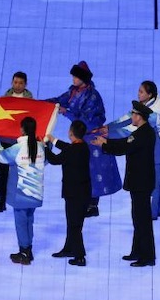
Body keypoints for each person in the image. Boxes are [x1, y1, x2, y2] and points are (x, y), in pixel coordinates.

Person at [46, 61, 121, 217]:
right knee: (85, 170)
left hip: (92, 136)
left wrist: (66, 112)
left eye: (76, 77)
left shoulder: (93, 96)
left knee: (93, 170)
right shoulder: (73, 91)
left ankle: (92, 205)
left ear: (83, 78)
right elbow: (59, 100)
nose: (73, 79)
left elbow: (86, 120)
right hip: (82, 135)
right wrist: (41, 104)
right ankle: (85, 202)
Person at [93, 101, 156, 267]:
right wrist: (106, 142)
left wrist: (104, 144)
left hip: (141, 183)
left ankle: (147, 256)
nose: (132, 117)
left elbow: (124, 147)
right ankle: (137, 251)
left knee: (142, 219)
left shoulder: (143, 134)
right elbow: (125, 142)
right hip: (139, 182)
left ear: (140, 117)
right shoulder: (142, 132)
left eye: (134, 115)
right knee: (138, 218)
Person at [98, 81, 160, 220]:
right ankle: (159, 209)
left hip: (158, 153)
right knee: (156, 180)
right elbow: (126, 118)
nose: (138, 94)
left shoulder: (153, 114)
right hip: (153, 151)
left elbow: (130, 130)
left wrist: (109, 135)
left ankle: (152, 214)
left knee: (154, 184)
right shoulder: (142, 106)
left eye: (141, 92)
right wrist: (108, 127)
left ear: (149, 95)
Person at [0, 117, 45, 265]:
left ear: (22, 129)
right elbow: (45, 161)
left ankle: (24, 252)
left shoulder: (18, 148)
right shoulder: (40, 147)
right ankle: (28, 249)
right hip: (36, 193)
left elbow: (2, 157)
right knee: (29, 221)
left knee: (21, 223)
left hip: (21, 194)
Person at [45, 120, 91, 266]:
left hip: (73, 193)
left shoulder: (71, 151)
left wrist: (45, 147)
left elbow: (54, 160)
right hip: (84, 192)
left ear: (70, 132)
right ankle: (69, 248)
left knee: (74, 225)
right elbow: (68, 147)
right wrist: (53, 140)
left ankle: (80, 256)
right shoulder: (84, 147)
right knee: (74, 223)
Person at [0, 72, 34, 212]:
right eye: (15, 82)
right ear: (12, 82)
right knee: (2, 172)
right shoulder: (4, 100)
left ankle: (21, 199)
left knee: (22, 172)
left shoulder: (31, 103)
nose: (17, 85)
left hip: (21, 142)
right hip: (5, 140)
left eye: (21, 83)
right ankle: (1, 201)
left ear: (25, 84)